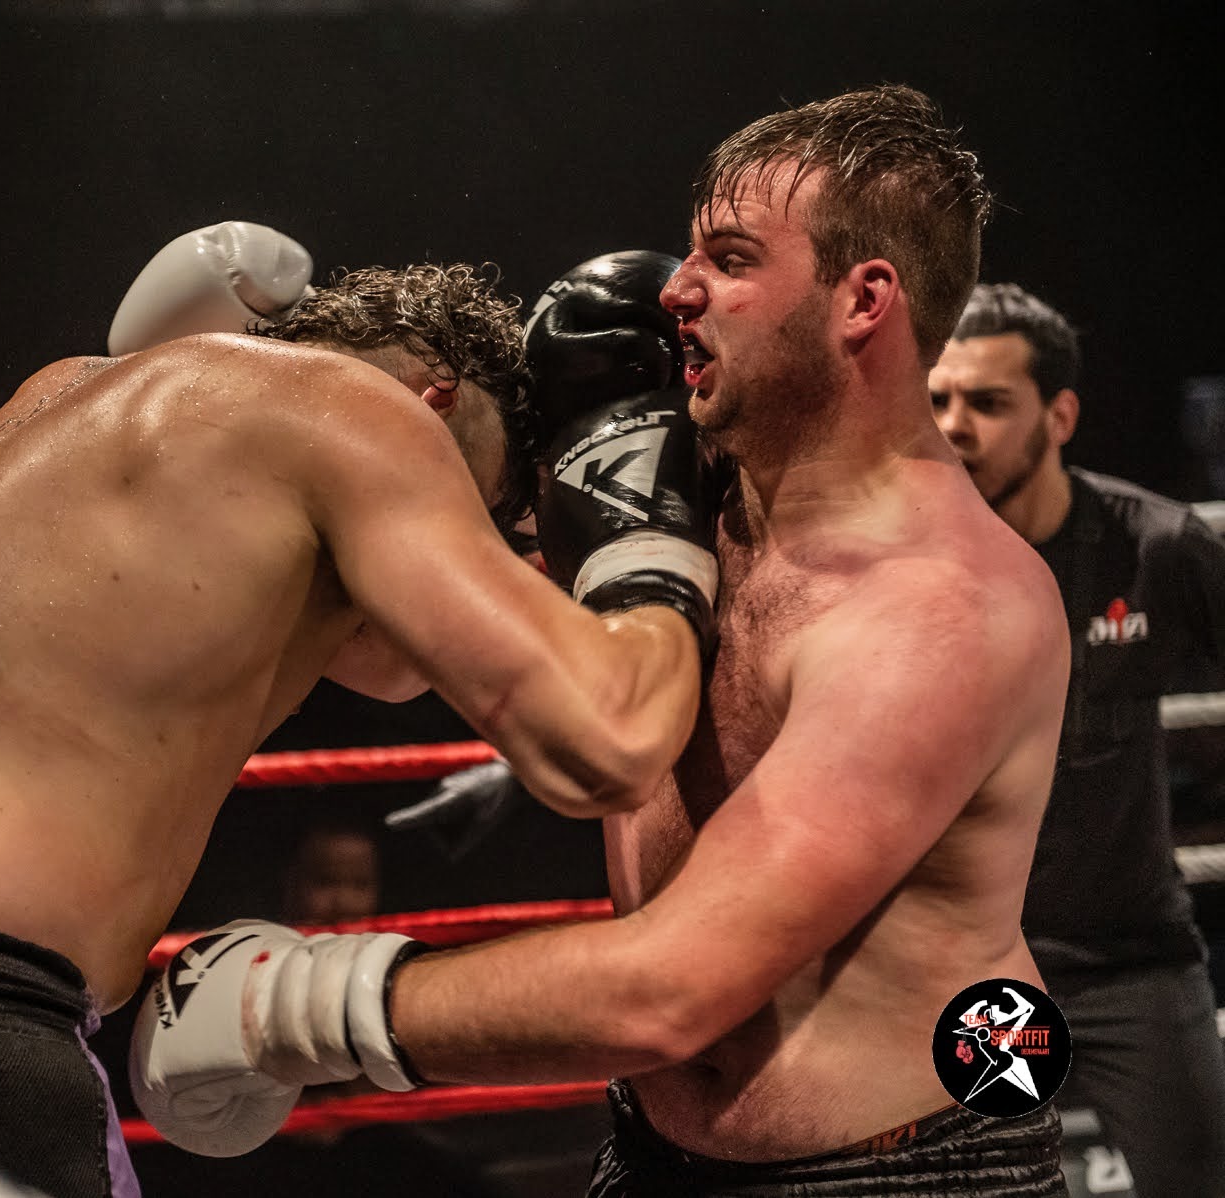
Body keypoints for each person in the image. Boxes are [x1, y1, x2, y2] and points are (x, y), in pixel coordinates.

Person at [133, 86, 1076, 1196]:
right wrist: (231, 393)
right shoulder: (678, 493)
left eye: (730, 258)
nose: (676, 288)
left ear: (863, 300)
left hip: (897, 1172)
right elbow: (386, 653)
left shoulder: (940, 610)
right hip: (645, 1151)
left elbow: (671, 989)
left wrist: (281, 1006)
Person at [0, 226, 715, 1198]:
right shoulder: (364, 416)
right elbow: (607, 741)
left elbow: (397, 663)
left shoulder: (61, 399)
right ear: (432, 404)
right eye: (477, 516)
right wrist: (640, 532)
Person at [929, 281, 1225, 1196]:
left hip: (1135, 961)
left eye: (987, 402)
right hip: (976, 971)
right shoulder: (901, 564)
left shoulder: (1155, 546)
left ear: (1058, 416)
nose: (954, 425)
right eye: (939, 399)